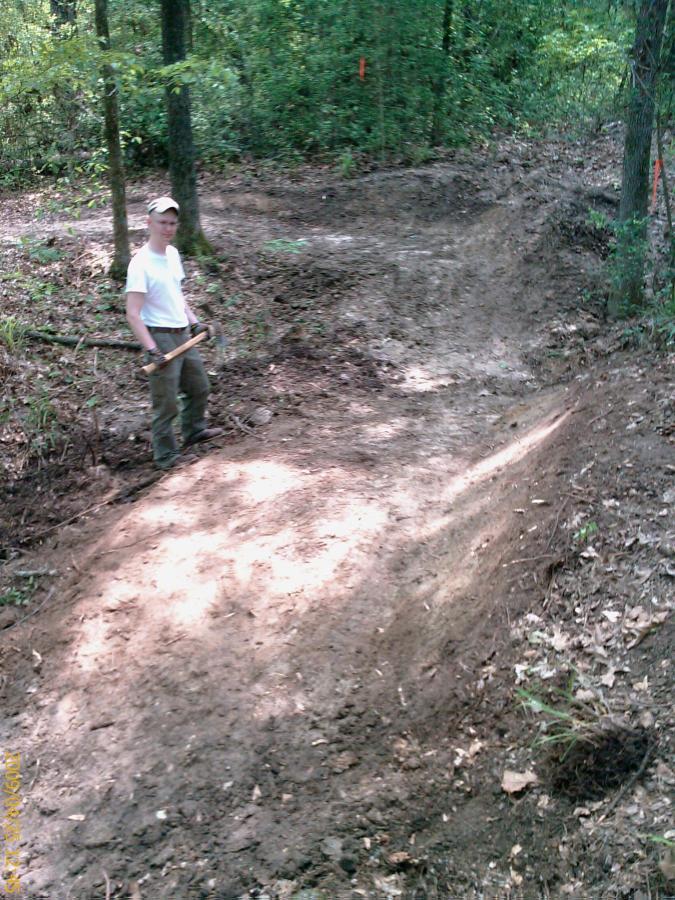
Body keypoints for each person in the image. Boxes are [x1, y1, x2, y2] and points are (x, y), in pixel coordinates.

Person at [125, 196, 222, 469]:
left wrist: (194, 322)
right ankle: (166, 456)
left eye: (172, 223)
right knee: (166, 403)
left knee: (199, 387)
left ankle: (194, 431)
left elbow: (177, 295)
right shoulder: (140, 263)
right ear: (149, 223)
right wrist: (152, 349)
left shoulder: (173, 255)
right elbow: (132, 313)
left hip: (182, 334)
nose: (168, 228)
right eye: (162, 222)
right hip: (159, 337)